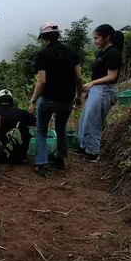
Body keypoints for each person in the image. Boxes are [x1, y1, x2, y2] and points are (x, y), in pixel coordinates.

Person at [29, 22, 83, 177]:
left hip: (48, 100)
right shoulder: (72, 53)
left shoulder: (43, 54)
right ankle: (60, 159)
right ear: (58, 35)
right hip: (66, 100)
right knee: (60, 129)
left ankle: (41, 164)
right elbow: (79, 77)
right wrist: (79, 96)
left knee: (41, 130)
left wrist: (33, 101)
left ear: (44, 38)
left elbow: (42, 81)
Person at [76, 24, 123, 162]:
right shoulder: (102, 52)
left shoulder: (114, 53)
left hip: (104, 90)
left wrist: (92, 83)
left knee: (93, 121)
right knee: (85, 119)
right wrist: (89, 90)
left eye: (97, 38)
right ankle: (84, 147)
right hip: (97, 90)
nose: (95, 41)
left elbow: (112, 76)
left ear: (107, 37)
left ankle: (93, 153)